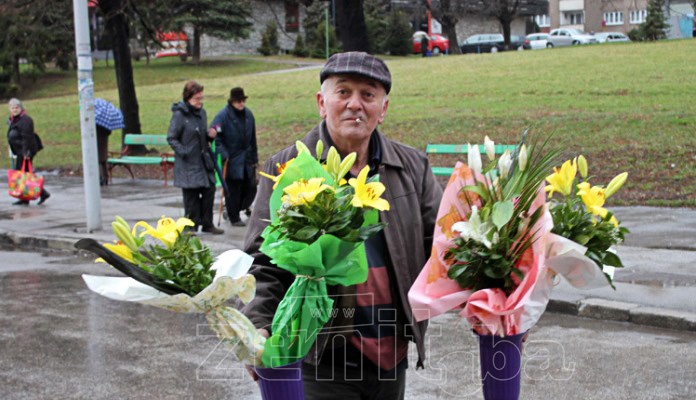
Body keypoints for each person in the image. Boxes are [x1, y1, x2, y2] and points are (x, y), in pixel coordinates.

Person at [241, 52, 443, 398]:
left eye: (368, 94)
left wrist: (495, 305)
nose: (355, 104)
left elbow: (443, 248)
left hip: (389, 356)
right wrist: (257, 324)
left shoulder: (412, 167)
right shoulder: (287, 168)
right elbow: (261, 260)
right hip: (319, 356)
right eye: (343, 92)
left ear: (384, 107)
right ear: (322, 102)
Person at [166, 81, 224, 235]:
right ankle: (190, 226)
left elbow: (200, 136)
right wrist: (184, 151)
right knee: (191, 197)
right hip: (188, 163)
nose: (200, 102)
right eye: (197, 98)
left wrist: (210, 136)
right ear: (188, 98)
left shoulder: (202, 113)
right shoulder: (179, 115)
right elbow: (171, 137)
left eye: (201, 98)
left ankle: (207, 223)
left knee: (209, 192)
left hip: (203, 162)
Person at [210, 87, 258, 227]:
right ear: (232, 102)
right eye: (238, 101)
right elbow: (216, 137)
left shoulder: (248, 115)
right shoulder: (222, 116)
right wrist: (224, 154)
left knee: (250, 187)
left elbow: (252, 139)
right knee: (233, 190)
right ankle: (234, 216)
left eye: (243, 100)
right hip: (232, 159)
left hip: (247, 158)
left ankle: (241, 207)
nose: (241, 103)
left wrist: (254, 158)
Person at [7, 98, 50, 206]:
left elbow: (27, 137)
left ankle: (42, 193)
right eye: (12, 108)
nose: (15, 109)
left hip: (26, 150)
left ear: (21, 108)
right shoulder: (14, 119)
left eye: (17, 107)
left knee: (24, 174)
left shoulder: (25, 120)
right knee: (22, 173)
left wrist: (26, 152)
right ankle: (25, 198)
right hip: (20, 150)